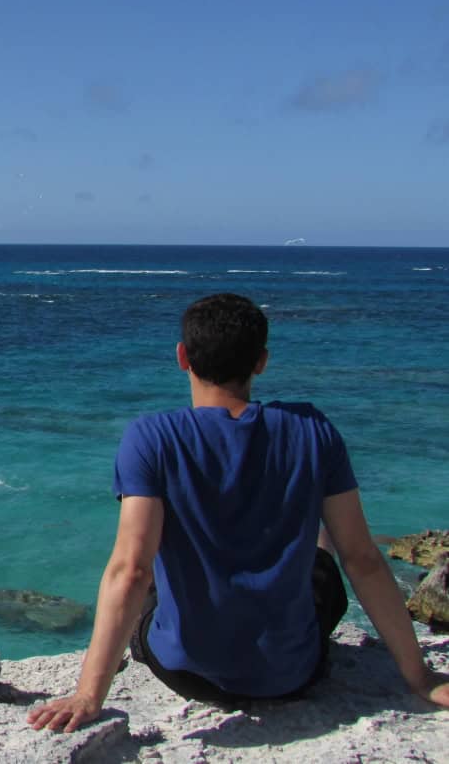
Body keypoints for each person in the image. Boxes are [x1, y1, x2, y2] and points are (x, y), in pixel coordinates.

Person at [28, 292, 449, 733]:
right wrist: (420, 678)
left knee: (152, 573)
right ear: (261, 362)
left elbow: (130, 570)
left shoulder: (151, 437)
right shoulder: (313, 430)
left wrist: (87, 695)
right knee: (323, 550)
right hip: (290, 675)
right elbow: (362, 559)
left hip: (184, 673)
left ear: (182, 357)